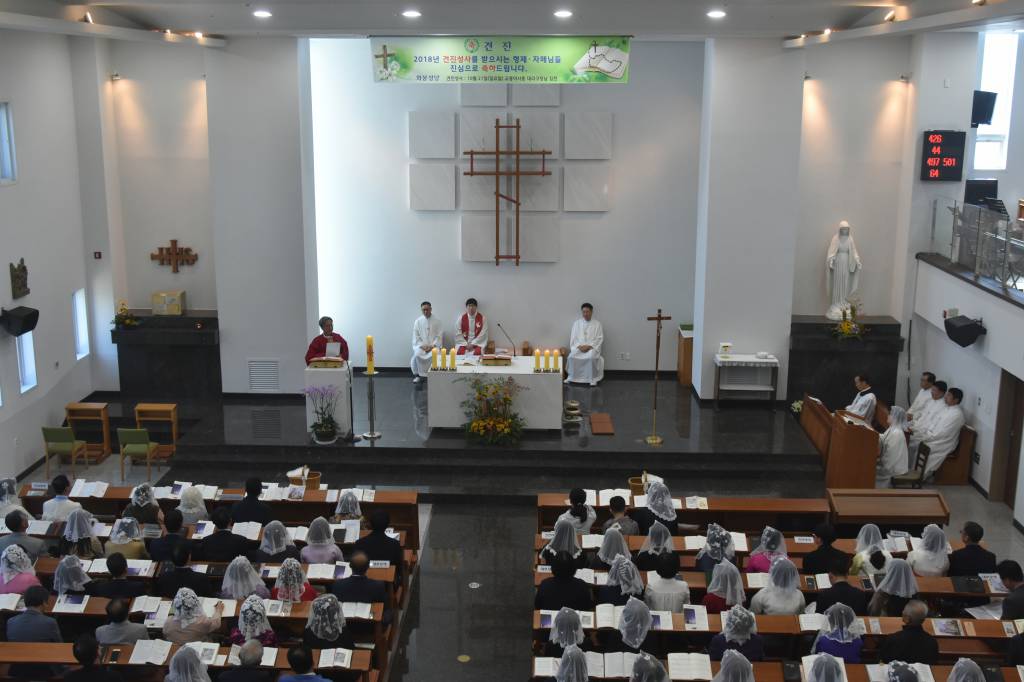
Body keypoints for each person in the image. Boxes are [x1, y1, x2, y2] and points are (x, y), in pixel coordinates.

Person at [7, 585, 62, 679]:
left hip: (17, 668)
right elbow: (59, 646)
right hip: (42, 669)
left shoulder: (10, 621)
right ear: (44, 603)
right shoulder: (50, 622)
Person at [330, 551, 391, 631]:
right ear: (368, 567)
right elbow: (384, 609)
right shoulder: (378, 586)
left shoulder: (338, 585)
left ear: (350, 566)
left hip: (345, 628)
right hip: (369, 627)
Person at [919, 387, 966, 478]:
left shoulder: (957, 414)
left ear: (956, 400)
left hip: (944, 442)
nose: (945, 397)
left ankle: (922, 475)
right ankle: (914, 471)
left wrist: (928, 437)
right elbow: (934, 422)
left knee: (922, 446)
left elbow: (944, 433)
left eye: (948, 395)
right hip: (934, 437)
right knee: (917, 442)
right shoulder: (946, 409)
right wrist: (927, 432)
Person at [878, 599, 938, 664]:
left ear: (907, 619)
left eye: (904, 611)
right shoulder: (932, 642)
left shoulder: (893, 639)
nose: (902, 612)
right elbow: (933, 662)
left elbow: (882, 661)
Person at [352, 509, 403, 573]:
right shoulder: (395, 544)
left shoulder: (359, 543)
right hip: (387, 577)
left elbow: (355, 567)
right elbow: (398, 568)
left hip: (366, 577)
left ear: (370, 524)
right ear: (387, 525)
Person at [566, 302, 605, 386]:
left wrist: (589, 346)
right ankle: (572, 377)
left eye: (587, 312)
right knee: (571, 357)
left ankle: (592, 379)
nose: (585, 314)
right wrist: (579, 346)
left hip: (591, 348)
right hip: (579, 347)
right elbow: (573, 338)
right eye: (583, 312)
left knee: (590, 357)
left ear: (591, 312)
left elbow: (599, 338)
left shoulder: (597, 324)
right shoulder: (576, 323)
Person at [410, 300, 443, 383]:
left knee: (436, 354)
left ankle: (435, 376)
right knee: (417, 354)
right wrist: (422, 346)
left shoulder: (437, 321)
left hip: (433, 347)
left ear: (431, 309)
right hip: (422, 347)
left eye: (427, 309)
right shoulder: (418, 321)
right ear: (421, 310)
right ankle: (418, 376)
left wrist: (432, 346)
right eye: (423, 310)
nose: (425, 311)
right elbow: (416, 337)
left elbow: (439, 336)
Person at [877, 406, 910, 488]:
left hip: (895, 468)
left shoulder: (897, 433)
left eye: (890, 415)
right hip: (891, 463)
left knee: (873, 472)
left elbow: (891, 455)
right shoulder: (892, 428)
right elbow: (884, 437)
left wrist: (880, 461)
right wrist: (875, 435)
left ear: (896, 418)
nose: (888, 416)